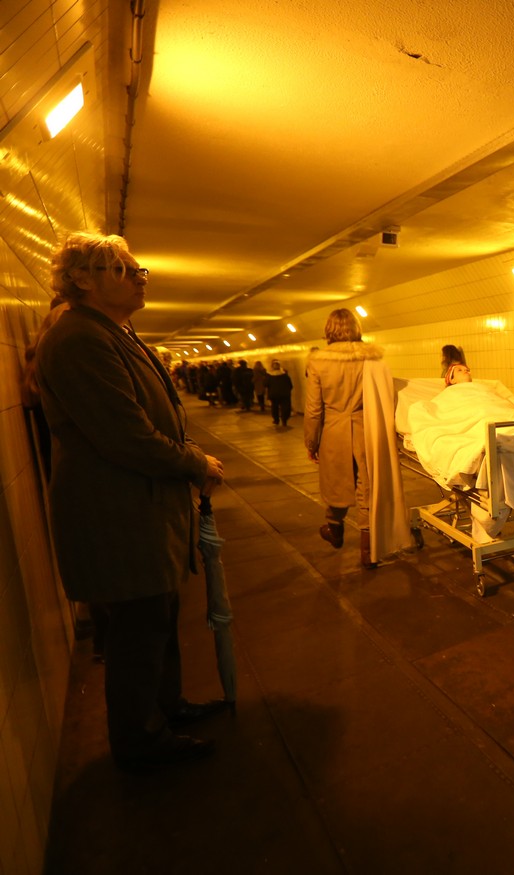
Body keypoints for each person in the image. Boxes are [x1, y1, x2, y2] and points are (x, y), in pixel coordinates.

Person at [36, 232, 228, 771]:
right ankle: (141, 742)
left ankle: (166, 709)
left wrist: (187, 452)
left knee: (156, 619)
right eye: (124, 270)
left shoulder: (111, 332)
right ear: (82, 279)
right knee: (137, 631)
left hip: (139, 506)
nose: (140, 278)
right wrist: (195, 463)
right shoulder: (79, 340)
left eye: (140, 269)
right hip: (117, 513)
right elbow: (126, 436)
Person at [304, 309, 408, 568]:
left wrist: (311, 442)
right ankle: (368, 553)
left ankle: (334, 528)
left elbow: (314, 409)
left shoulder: (318, 362)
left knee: (336, 484)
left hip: (333, 431)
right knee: (367, 488)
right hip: (368, 429)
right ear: (356, 328)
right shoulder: (372, 359)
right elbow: (389, 396)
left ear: (329, 330)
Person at [266, 360, 293, 426]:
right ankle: (284, 420)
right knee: (285, 408)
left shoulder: (269, 375)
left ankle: (276, 420)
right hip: (284, 394)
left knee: (274, 408)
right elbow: (290, 385)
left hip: (274, 394)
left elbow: (265, 384)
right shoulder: (284, 375)